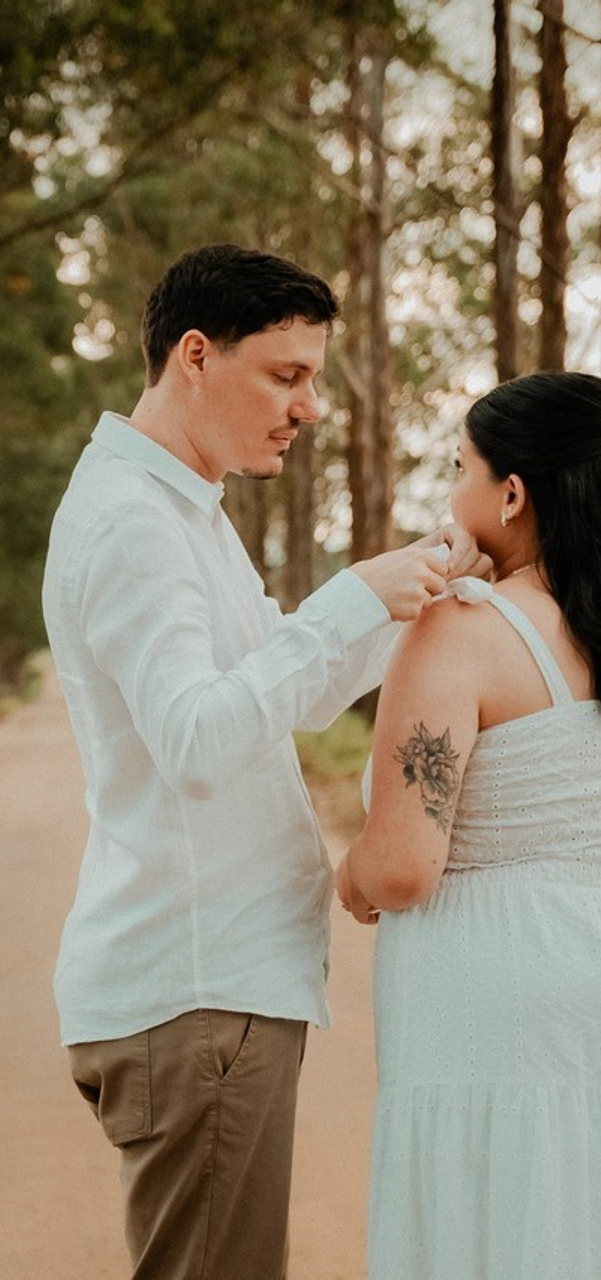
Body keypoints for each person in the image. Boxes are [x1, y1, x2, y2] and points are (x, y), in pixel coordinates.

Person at [41, 242, 491, 1279]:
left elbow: (277, 693)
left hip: (212, 990)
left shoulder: (175, 505)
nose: (310, 406)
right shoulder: (130, 521)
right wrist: (345, 599)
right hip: (195, 994)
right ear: (193, 355)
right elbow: (196, 741)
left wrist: (410, 588)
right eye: (284, 375)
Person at [335, 371, 601, 1279]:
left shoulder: (461, 629)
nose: (453, 492)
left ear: (512, 493)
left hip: (489, 991)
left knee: (486, 1212)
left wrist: (350, 874)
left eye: (461, 468)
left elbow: (405, 866)